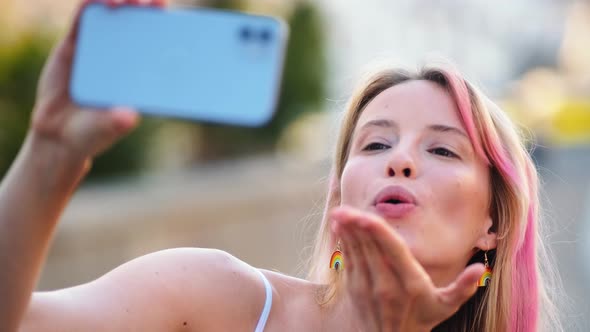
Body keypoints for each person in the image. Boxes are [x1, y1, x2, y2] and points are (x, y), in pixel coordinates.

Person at [0, 0, 563, 331]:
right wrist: (51, 151)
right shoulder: (214, 294)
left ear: (493, 223)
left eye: (441, 149)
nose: (400, 162)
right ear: (341, 197)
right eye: (374, 145)